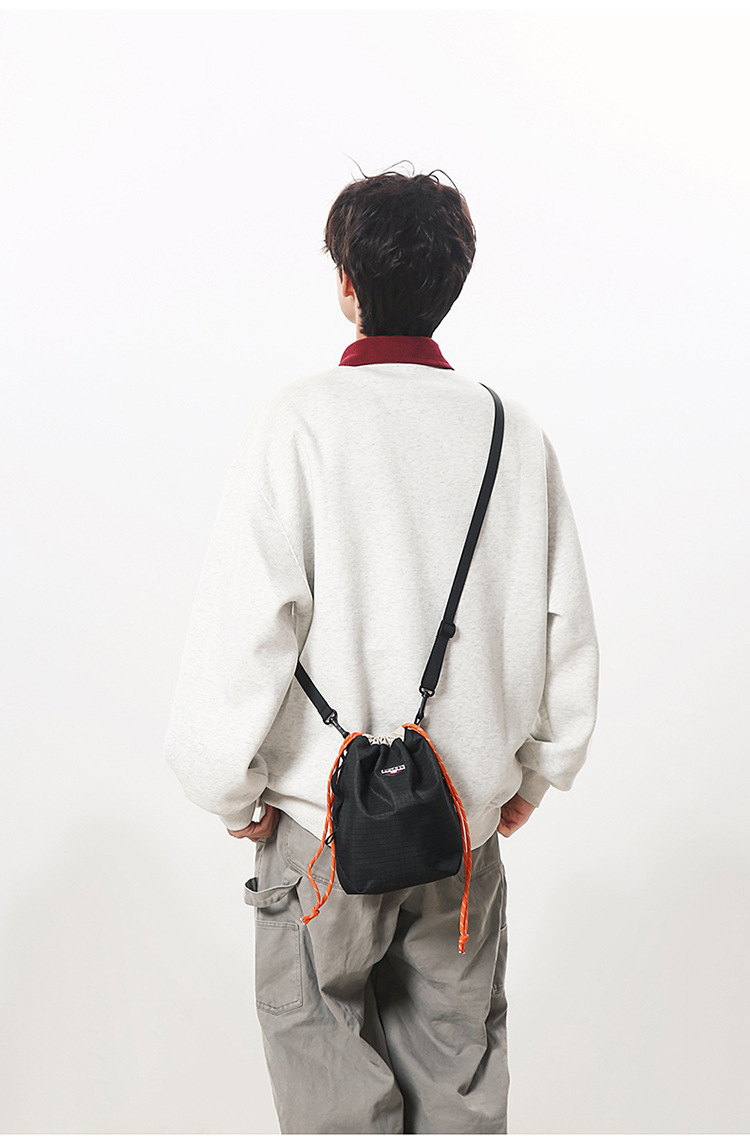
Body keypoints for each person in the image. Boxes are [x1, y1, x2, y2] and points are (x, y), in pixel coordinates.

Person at [163, 164, 600, 1134]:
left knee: (330, 1099)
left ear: (347, 283)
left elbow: (247, 624)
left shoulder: (299, 422)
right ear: (453, 284)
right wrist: (536, 774)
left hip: (319, 832)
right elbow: (564, 625)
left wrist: (229, 788)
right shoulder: (511, 432)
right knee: (459, 1090)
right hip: (463, 832)